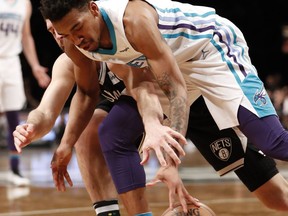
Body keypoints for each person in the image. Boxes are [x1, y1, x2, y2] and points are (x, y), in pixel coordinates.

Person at [37, 0, 288, 214]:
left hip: (210, 51)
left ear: (93, 9)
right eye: (64, 33)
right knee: (112, 133)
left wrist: (171, 165)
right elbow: (87, 92)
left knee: (273, 142)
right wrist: (66, 145)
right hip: (168, 70)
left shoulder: (132, 21)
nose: (74, 38)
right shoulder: (75, 43)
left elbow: (176, 88)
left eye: (77, 28)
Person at [0, 0, 50, 186]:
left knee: (13, 116)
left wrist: (35, 66)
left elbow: (26, 36)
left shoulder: (24, 4)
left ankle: (15, 170)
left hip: (12, 61)